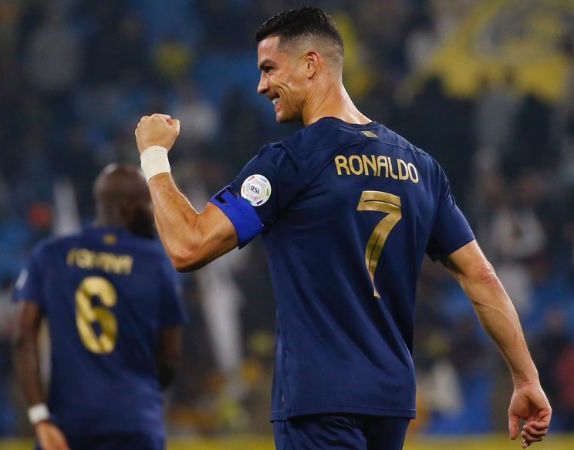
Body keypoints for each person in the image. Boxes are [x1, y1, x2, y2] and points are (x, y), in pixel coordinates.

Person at [134, 5, 551, 450]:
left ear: (311, 64)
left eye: (270, 69)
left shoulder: (291, 162)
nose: (261, 86)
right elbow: (481, 276)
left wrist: (154, 157)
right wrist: (526, 378)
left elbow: (188, 246)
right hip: (390, 401)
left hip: (319, 399)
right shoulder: (420, 168)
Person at [12, 164, 186, 450]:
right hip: (136, 422)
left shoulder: (51, 255)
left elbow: (23, 335)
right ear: (128, 205)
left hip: (68, 423)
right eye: (149, 204)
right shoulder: (155, 263)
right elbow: (170, 355)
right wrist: (140, 395)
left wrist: (40, 416)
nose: (154, 215)